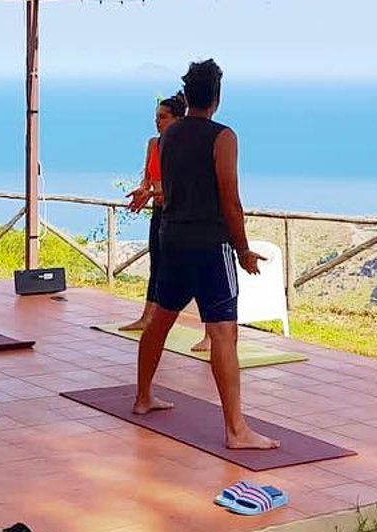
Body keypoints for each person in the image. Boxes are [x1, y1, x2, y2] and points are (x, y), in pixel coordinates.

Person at [132, 59, 279, 451]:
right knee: (223, 333)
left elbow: (168, 187)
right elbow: (230, 199)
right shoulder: (223, 136)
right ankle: (236, 430)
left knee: (161, 321)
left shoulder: (169, 136)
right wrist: (243, 249)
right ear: (216, 97)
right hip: (210, 245)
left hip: (172, 238)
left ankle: (143, 397)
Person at [118, 92, 186, 336]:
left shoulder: (183, 147)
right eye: (156, 117)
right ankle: (146, 317)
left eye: (163, 117)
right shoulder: (154, 144)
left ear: (178, 119)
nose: (158, 122)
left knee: (185, 267)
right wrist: (143, 191)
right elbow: (148, 178)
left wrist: (153, 194)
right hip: (159, 210)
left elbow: (181, 188)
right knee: (156, 264)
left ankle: (210, 332)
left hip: (177, 212)